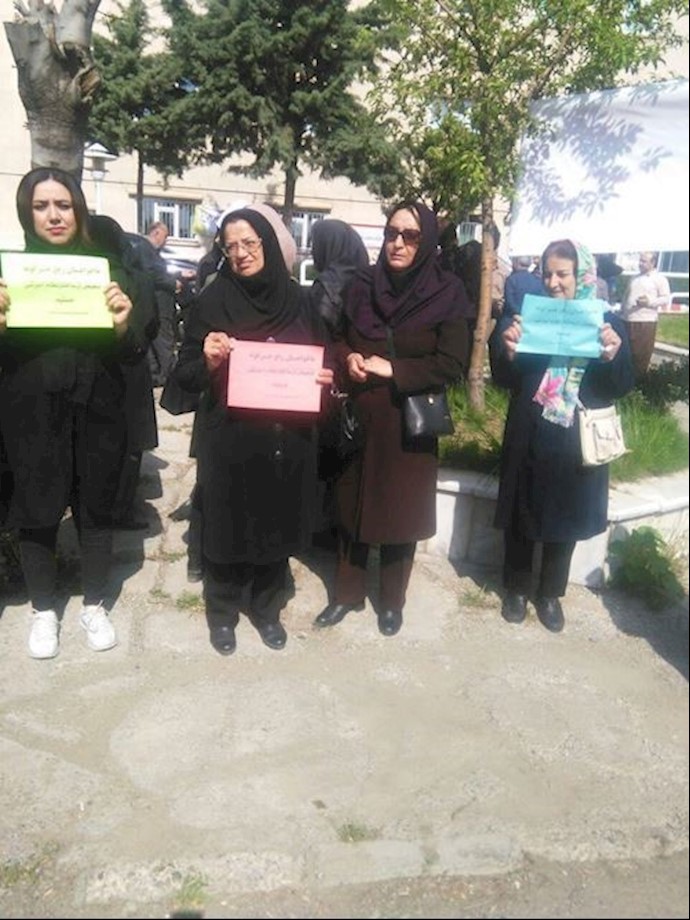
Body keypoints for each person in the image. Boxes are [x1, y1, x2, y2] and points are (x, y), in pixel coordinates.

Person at [170, 207, 334, 656]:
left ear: (268, 242)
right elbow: (183, 372)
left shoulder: (300, 302)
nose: (241, 253)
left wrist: (325, 377)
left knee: (276, 523)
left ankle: (265, 609)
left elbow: (327, 358)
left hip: (287, 437)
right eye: (231, 245)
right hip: (231, 436)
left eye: (250, 243)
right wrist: (207, 359)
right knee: (226, 525)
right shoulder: (213, 300)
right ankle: (221, 614)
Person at [0, 166, 147, 659]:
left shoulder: (109, 272)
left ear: (78, 210)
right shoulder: (9, 275)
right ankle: (44, 610)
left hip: (98, 405)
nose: (54, 215)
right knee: (37, 508)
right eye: (41, 206)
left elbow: (134, 353)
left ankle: (94, 605)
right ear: (27, 213)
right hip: (32, 408)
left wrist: (124, 324)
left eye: (63, 205)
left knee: (96, 506)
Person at [313, 200, 471, 637]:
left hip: (410, 421)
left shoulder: (447, 292)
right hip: (358, 414)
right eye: (391, 233)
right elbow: (340, 336)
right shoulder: (363, 284)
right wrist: (350, 360)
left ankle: (392, 602)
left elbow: (452, 362)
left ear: (427, 243)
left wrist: (394, 369)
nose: (398, 243)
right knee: (350, 505)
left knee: (401, 513)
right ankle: (346, 594)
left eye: (410, 235)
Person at [490, 239, 634, 633]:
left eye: (562, 274)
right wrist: (507, 348)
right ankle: (516, 588)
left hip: (575, 435)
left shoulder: (606, 323)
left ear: (582, 275)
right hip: (530, 428)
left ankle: (550, 593)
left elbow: (622, 384)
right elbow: (504, 378)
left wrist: (612, 355)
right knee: (522, 506)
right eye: (547, 273)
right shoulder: (528, 319)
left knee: (565, 513)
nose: (553, 283)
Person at [304, 219, 370, 540]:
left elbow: (316, 333)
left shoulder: (327, 284)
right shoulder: (369, 279)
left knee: (324, 454)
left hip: (328, 379)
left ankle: (321, 527)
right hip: (362, 377)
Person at [131, 220, 178, 387]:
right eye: (165, 237)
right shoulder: (144, 249)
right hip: (157, 304)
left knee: (155, 339)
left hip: (155, 303)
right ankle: (169, 375)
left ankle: (156, 375)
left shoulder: (148, 250)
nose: (165, 241)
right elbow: (150, 273)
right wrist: (173, 283)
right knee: (163, 339)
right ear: (156, 233)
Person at [620, 251, 671, 379]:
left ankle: (638, 383)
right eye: (640, 261)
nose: (640, 264)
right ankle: (623, 381)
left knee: (640, 354)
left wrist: (649, 302)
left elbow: (666, 299)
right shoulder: (634, 278)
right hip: (627, 319)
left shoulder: (659, 279)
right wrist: (621, 312)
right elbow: (626, 297)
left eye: (644, 261)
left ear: (653, 263)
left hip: (645, 321)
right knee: (626, 353)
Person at [503, 254, 545, 318]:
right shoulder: (538, 280)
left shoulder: (511, 280)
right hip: (531, 318)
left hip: (511, 319)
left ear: (516, 263)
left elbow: (509, 302)